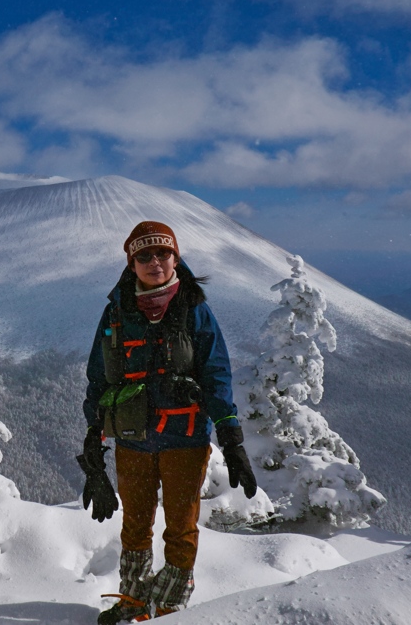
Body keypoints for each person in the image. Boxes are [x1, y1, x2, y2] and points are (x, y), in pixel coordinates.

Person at [77, 220, 257, 624]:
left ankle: (170, 608)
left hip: (185, 439)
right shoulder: (116, 312)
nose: (155, 262)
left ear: (176, 257)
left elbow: (216, 374)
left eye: (163, 253)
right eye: (144, 255)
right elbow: (98, 377)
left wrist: (231, 437)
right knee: (135, 526)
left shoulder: (195, 310)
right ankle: (136, 602)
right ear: (131, 262)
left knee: (181, 526)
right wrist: (94, 441)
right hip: (132, 440)